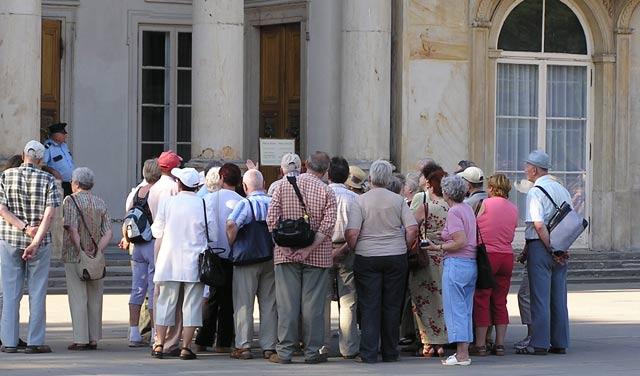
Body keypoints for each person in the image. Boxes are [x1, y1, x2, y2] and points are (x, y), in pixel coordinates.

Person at [266, 151, 337, 364]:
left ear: (306, 165)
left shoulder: (282, 186)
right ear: (326, 171)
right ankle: (312, 352)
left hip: (285, 253)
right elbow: (328, 225)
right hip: (317, 256)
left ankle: (285, 352)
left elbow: (271, 219)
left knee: (287, 305)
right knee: (313, 306)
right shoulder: (327, 191)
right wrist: (309, 249)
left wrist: (283, 247)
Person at [345, 159, 418, 363]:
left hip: (367, 256)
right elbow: (412, 228)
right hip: (395, 256)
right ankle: (390, 351)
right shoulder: (398, 200)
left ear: (370, 178)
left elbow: (352, 232)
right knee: (392, 305)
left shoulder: (360, 201)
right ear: (389, 179)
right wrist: (403, 245)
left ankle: (368, 352)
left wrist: (355, 247)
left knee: (369, 305)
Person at [0, 140, 61, 353]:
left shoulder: (6, 176)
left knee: (10, 293)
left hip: (10, 238)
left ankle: (8, 341)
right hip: (40, 243)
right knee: (37, 292)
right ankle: (35, 342)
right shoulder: (48, 179)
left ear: (23, 154)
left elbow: (2, 209)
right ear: (41, 159)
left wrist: (24, 228)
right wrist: (34, 240)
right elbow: (50, 213)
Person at [150, 167, 209, 360]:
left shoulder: (168, 203)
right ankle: (185, 346)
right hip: (194, 260)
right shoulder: (202, 203)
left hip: (169, 259)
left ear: (179, 184)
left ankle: (159, 343)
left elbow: (156, 230)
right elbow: (213, 234)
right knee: (191, 305)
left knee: (165, 302)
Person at [518, 150, 572, 355]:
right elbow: (571, 220)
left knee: (539, 297)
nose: (525, 170)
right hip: (561, 244)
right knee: (559, 297)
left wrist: (549, 248)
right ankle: (560, 341)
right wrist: (560, 248)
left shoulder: (535, 191)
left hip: (542, 246)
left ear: (534, 169)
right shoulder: (561, 189)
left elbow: (538, 225)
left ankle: (539, 343)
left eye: (527, 167)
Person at [425, 175, 477, 366]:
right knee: (465, 309)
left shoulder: (454, 211)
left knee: (456, 310)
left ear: (447, 192)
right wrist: (443, 235)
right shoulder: (467, 208)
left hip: (457, 263)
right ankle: (464, 352)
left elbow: (460, 241)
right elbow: (463, 235)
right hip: (470, 263)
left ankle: (462, 354)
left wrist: (436, 247)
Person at [225, 169, 277, 360]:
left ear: (245, 187)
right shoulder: (273, 202)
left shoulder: (245, 204)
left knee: (244, 303)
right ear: (263, 184)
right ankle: (269, 345)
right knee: (269, 303)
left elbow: (231, 225)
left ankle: (244, 345)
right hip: (269, 257)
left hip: (247, 260)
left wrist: (231, 241)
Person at [62, 167, 113, 350]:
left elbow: (72, 228)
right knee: (95, 297)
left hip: (74, 255)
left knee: (78, 297)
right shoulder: (100, 202)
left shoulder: (70, 200)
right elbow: (108, 232)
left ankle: (81, 338)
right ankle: (93, 338)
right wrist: (97, 250)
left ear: (76, 183)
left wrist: (81, 249)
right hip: (96, 257)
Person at [471, 174, 518, 356]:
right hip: (506, 256)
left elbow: (476, 227)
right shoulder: (514, 208)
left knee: (482, 298)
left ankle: (481, 344)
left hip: (488, 256)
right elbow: (512, 233)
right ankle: (500, 344)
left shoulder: (485, 204)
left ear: (491, 188)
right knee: (500, 300)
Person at [197, 163, 242, 353]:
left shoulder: (208, 199)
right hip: (232, 254)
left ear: (222, 179)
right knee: (228, 300)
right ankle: (223, 342)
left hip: (212, 254)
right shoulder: (241, 200)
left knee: (212, 299)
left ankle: (203, 339)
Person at [119, 159, 161, 347]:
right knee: (153, 289)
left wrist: (127, 239)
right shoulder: (157, 193)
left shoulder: (135, 193)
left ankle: (133, 331)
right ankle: (154, 333)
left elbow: (127, 218)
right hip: (152, 243)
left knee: (137, 288)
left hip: (136, 245)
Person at [322, 156, 360, 359]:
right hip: (347, 248)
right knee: (348, 300)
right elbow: (357, 230)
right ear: (347, 177)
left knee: (323, 299)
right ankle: (349, 346)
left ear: (328, 174)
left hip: (323, 248)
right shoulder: (354, 198)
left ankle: (323, 345)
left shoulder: (321, 194)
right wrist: (343, 249)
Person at [409, 167, 449, 358]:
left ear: (431, 186)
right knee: (443, 301)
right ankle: (442, 342)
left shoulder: (426, 207)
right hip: (447, 256)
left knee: (423, 300)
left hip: (426, 258)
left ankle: (428, 343)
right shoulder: (452, 208)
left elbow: (409, 227)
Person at [148, 150, 182, 356]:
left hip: (158, 239)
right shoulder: (172, 188)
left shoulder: (154, 188)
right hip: (172, 240)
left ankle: (157, 336)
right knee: (174, 296)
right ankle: (170, 340)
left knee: (159, 291)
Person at [43, 122, 76, 196]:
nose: (65, 135)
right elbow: (42, 165)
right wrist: (53, 171)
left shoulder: (64, 146)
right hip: (58, 184)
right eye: (63, 133)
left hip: (71, 183)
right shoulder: (48, 147)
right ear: (56, 134)